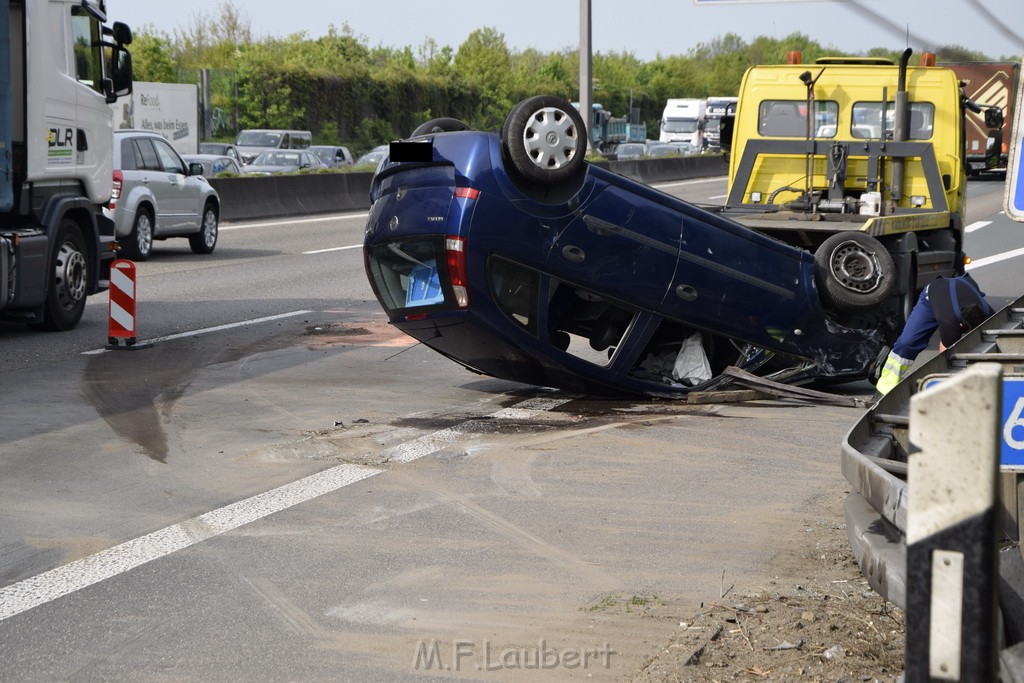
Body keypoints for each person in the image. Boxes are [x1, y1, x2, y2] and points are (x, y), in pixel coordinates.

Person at [874, 272, 994, 396]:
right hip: (933, 296)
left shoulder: (988, 313)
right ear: (961, 326)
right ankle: (884, 388)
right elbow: (945, 353)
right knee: (907, 342)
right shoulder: (950, 321)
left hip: (961, 287)